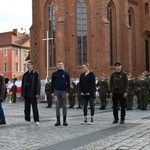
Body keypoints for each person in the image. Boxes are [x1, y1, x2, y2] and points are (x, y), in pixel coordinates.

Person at [21, 61, 41, 126]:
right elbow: (23, 85)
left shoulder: (36, 74)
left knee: (34, 107)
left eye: (29, 65)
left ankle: (36, 120)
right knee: (26, 108)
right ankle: (27, 119)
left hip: (33, 93)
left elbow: (38, 84)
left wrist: (37, 93)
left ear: (32, 65)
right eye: (27, 65)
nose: (28, 66)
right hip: (26, 94)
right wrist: (22, 94)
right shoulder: (25, 74)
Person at [51, 61, 70, 126]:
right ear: (57, 66)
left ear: (63, 65)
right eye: (59, 65)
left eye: (61, 64)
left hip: (64, 91)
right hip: (56, 91)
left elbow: (68, 83)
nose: (60, 66)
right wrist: (52, 92)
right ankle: (58, 121)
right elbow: (52, 83)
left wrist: (68, 92)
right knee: (57, 106)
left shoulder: (66, 74)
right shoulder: (54, 74)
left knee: (64, 106)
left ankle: (64, 121)